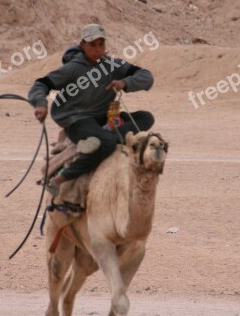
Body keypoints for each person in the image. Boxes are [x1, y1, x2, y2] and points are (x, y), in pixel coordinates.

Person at [28, 24, 154, 200]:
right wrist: (40, 103)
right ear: (82, 45)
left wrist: (125, 83)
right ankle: (60, 178)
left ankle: (100, 136)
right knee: (107, 143)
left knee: (146, 118)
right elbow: (41, 84)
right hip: (77, 119)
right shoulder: (72, 68)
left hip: (103, 117)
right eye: (92, 45)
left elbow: (146, 76)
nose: (98, 50)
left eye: (101, 45)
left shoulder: (111, 65)